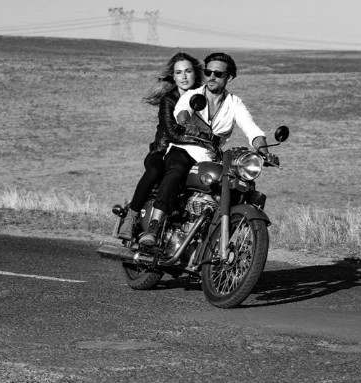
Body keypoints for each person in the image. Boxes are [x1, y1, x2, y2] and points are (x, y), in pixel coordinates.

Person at [139, 52, 277, 247]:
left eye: (218, 74)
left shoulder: (234, 103)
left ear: (229, 77)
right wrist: (187, 123)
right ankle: (154, 226)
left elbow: (251, 128)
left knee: (239, 185)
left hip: (210, 156)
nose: (212, 77)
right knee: (176, 170)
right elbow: (182, 111)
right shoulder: (193, 95)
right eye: (208, 72)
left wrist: (264, 151)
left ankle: (219, 238)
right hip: (184, 149)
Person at [117, 52, 203, 240]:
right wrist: (198, 140)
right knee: (155, 171)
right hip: (162, 151)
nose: (184, 76)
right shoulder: (169, 100)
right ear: (173, 77)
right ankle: (131, 217)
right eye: (179, 72)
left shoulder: (203, 97)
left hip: (189, 153)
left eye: (188, 71)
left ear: (195, 73)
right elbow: (171, 132)